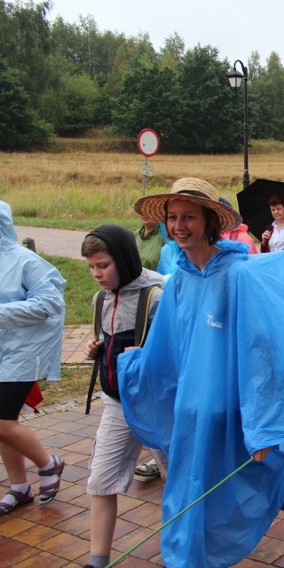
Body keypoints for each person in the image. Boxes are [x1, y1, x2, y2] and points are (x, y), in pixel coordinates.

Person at [120, 178, 284, 567]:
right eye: (173, 217)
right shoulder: (180, 279)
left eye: (189, 217)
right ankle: (190, 555)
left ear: (210, 222)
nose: (180, 225)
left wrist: (266, 423)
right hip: (194, 411)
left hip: (239, 409)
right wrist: (138, 362)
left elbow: (267, 347)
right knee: (192, 483)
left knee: (262, 480)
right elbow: (169, 344)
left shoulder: (239, 275)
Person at [80, 225, 168, 568]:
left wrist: (146, 355)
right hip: (117, 404)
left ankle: (186, 555)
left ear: (125, 258)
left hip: (159, 407)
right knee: (100, 480)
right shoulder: (100, 298)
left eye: (103, 265)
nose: (96, 274)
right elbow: (107, 337)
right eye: (91, 267)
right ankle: (97, 561)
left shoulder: (157, 295)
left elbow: (177, 356)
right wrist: (97, 348)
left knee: (176, 483)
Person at [0, 201, 66, 516]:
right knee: (3, 424)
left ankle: (48, 463)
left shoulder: (27, 262)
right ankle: (19, 487)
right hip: (1, 350)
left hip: (23, 352)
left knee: (0, 421)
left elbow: (49, 302)